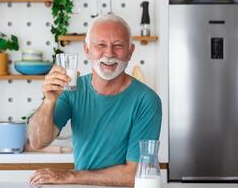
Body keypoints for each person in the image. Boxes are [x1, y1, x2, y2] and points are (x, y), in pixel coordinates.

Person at [28, 14, 162, 187]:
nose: (109, 53)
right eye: (101, 45)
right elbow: (37, 142)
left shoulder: (146, 100)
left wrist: (70, 176)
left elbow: (134, 175)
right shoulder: (72, 91)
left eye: (118, 45)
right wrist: (49, 101)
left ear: (130, 51)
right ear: (87, 50)